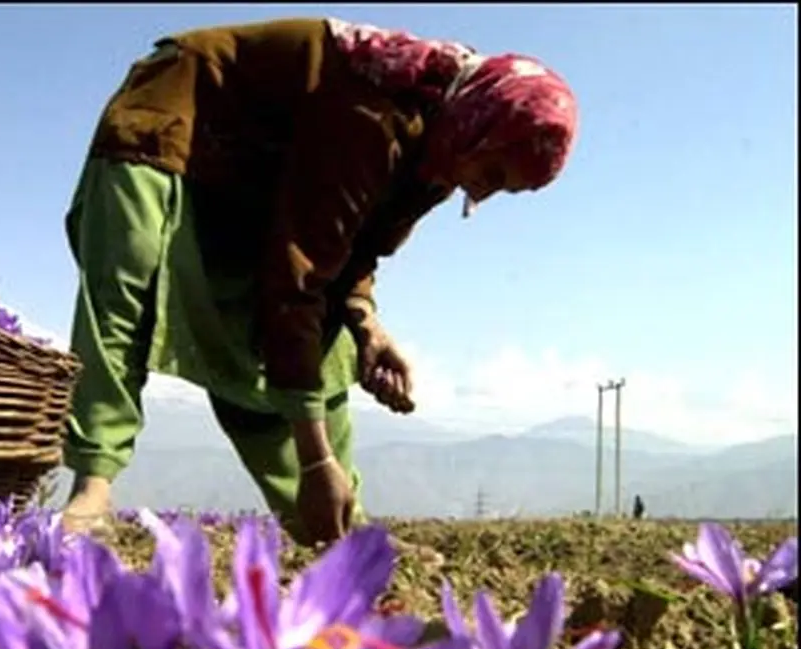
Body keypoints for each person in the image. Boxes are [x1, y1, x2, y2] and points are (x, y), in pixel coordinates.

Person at [60, 17, 579, 544]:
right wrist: (315, 460)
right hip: (173, 121)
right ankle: (93, 484)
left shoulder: (441, 155)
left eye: (503, 191)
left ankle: (338, 523)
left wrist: (366, 323)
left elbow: (351, 254)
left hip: (256, 184)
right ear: (481, 122)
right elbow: (299, 275)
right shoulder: (375, 111)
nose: (482, 193)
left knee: (316, 345)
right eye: (492, 173)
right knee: (129, 279)